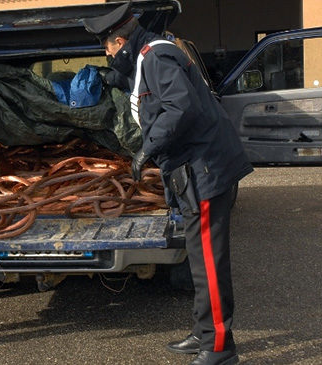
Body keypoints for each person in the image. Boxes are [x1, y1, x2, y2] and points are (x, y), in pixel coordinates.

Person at [84, 3, 253, 365]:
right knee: (199, 262)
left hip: (206, 171)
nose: (108, 54)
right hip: (194, 173)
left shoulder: (157, 57)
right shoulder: (150, 55)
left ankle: (220, 348)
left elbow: (180, 107)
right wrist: (113, 78)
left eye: (107, 48)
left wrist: (148, 148)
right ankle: (203, 333)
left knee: (210, 263)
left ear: (118, 39)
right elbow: (148, 90)